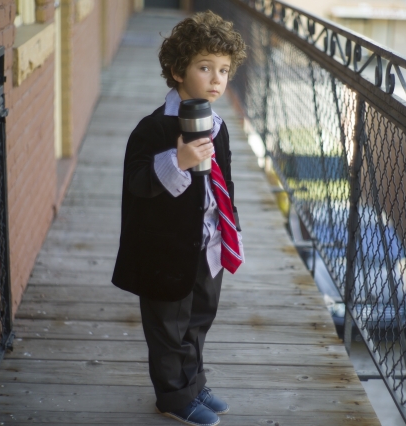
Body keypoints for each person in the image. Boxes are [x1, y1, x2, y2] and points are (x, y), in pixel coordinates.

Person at [111, 10, 247, 426]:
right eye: (204, 67)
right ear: (176, 70)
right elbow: (137, 181)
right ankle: (172, 395)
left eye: (223, 70)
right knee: (169, 329)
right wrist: (178, 160)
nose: (216, 79)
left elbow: (224, 182)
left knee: (199, 320)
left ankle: (194, 382)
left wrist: (230, 226)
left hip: (206, 243)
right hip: (164, 251)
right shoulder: (154, 128)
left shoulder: (218, 126)